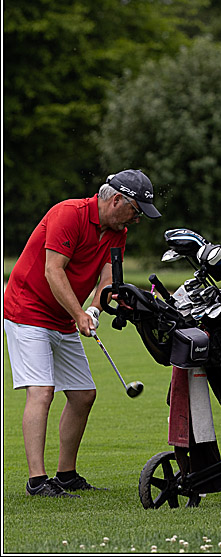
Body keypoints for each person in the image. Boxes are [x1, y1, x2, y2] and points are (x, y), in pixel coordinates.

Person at [3, 169, 162, 498]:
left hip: (64, 317)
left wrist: (93, 311)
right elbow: (53, 270)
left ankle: (66, 474)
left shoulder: (117, 232)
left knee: (83, 394)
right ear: (116, 200)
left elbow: (108, 279)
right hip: (27, 310)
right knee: (42, 391)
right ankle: (37, 481)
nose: (134, 220)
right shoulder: (68, 215)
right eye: (134, 211)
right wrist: (78, 313)